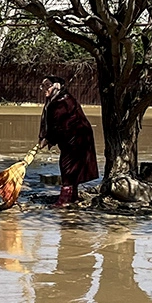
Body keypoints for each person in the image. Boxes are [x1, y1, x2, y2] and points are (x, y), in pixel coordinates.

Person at [37, 75, 99, 206]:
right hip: (69, 139)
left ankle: (64, 200)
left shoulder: (64, 101)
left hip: (77, 138)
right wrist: (42, 138)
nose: (44, 89)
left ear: (57, 86)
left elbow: (61, 126)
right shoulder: (53, 100)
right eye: (43, 86)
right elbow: (48, 122)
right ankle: (73, 197)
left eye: (48, 85)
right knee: (69, 167)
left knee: (68, 167)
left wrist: (48, 140)